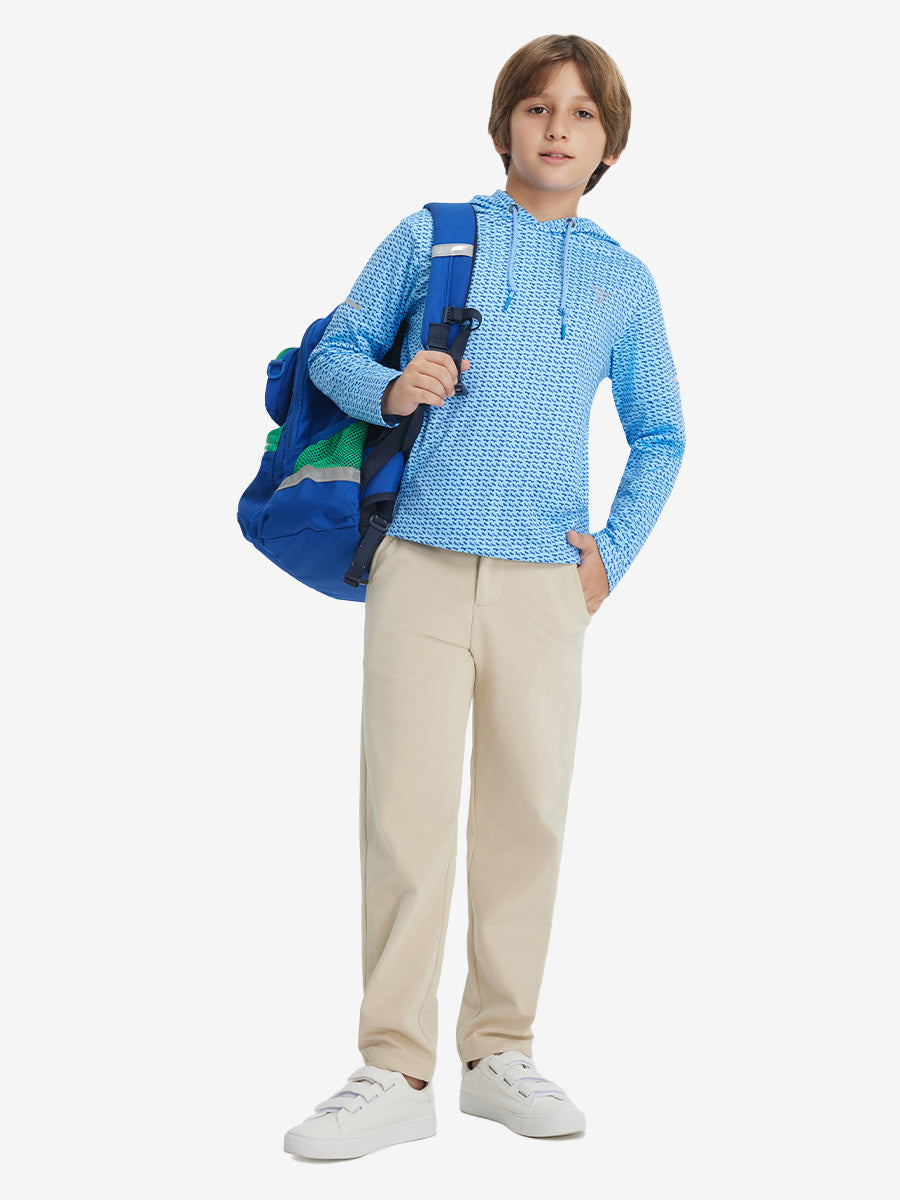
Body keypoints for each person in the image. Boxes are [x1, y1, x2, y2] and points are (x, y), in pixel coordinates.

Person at [283, 33, 685, 1161]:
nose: (559, 127)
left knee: (527, 817)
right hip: (417, 562)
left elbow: (661, 432)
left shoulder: (622, 281)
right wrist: (389, 384)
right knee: (403, 819)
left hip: (548, 584)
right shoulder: (433, 234)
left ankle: (499, 1052)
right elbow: (336, 351)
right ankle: (393, 1067)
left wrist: (611, 554)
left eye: (583, 113)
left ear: (609, 145)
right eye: (538, 106)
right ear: (504, 123)